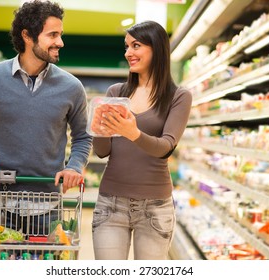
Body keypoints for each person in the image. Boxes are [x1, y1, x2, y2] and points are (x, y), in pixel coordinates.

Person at [0, 0, 92, 234]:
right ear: (28, 36)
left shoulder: (71, 87)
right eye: (53, 34)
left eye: (60, 34)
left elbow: (83, 137)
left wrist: (74, 167)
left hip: (47, 208)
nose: (60, 42)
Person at [91, 20, 192, 260]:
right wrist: (99, 131)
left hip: (155, 208)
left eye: (136, 45)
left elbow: (166, 147)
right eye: (126, 47)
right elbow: (102, 152)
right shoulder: (116, 93)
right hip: (111, 204)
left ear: (156, 48)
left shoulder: (178, 97)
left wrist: (132, 132)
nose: (128, 53)